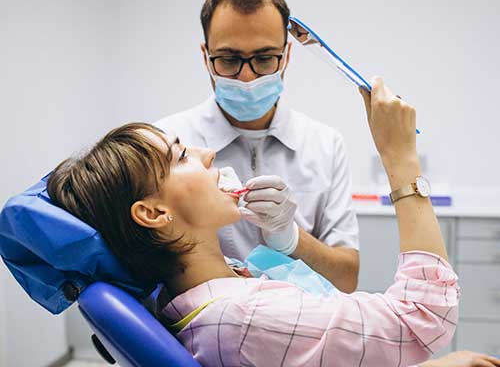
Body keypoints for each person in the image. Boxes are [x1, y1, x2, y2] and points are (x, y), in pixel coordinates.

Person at [48, 77, 460, 366]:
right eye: (181, 156)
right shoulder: (246, 318)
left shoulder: (198, 292)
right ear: (154, 213)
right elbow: (424, 317)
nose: (208, 154)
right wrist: (401, 160)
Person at [155, 0, 360, 293]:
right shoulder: (168, 142)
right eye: (229, 60)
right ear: (206, 56)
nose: (248, 77)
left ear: (286, 55)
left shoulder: (325, 145)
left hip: (306, 320)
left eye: (264, 59)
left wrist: (290, 237)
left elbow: (346, 280)